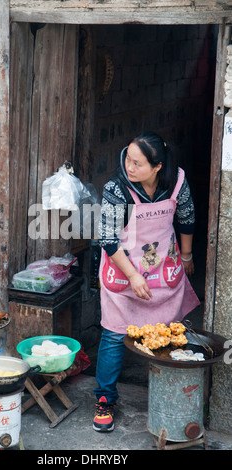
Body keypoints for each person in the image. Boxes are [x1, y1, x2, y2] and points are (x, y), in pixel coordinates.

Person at [93, 131, 200, 432]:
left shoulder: (176, 180)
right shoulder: (117, 187)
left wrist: (188, 256)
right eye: (128, 158)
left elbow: (186, 217)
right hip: (123, 267)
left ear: (158, 167)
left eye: (138, 163)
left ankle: (165, 397)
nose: (129, 166)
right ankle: (104, 398)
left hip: (163, 265)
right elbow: (108, 239)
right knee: (114, 334)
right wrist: (132, 275)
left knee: (167, 333)